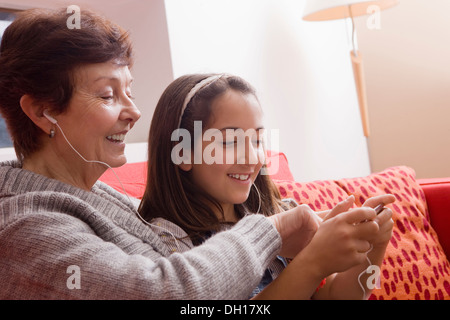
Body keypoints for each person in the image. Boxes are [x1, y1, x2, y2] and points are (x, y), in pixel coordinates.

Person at [0, 8, 326, 300]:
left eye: (129, 91)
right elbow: (163, 292)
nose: (135, 111)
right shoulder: (25, 229)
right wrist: (273, 231)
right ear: (43, 112)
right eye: (107, 94)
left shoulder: (98, 197)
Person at [138, 73, 396, 299]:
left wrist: (374, 247)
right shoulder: (170, 241)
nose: (253, 158)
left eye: (258, 140)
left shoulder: (280, 214)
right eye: (229, 142)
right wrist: (312, 263)